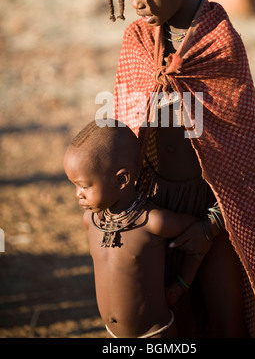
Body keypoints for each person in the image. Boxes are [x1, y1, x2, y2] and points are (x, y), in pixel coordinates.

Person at [101, 0, 255, 338]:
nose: (137, 5)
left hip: (214, 207)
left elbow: (243, 148)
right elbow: (126, 124)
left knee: (225, 319)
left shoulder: (219, 42)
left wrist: (211, 222)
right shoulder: (138, 39)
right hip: (155, 203)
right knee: (170, 324)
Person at [64, 119, 207, 338]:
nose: (77, 194)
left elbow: (200, 239)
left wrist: (180, 286)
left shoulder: (153, 222)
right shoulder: (90, 221)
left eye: (84, 186)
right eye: (74, 185)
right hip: (113, 334)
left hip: (155, 334)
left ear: (121, 180)